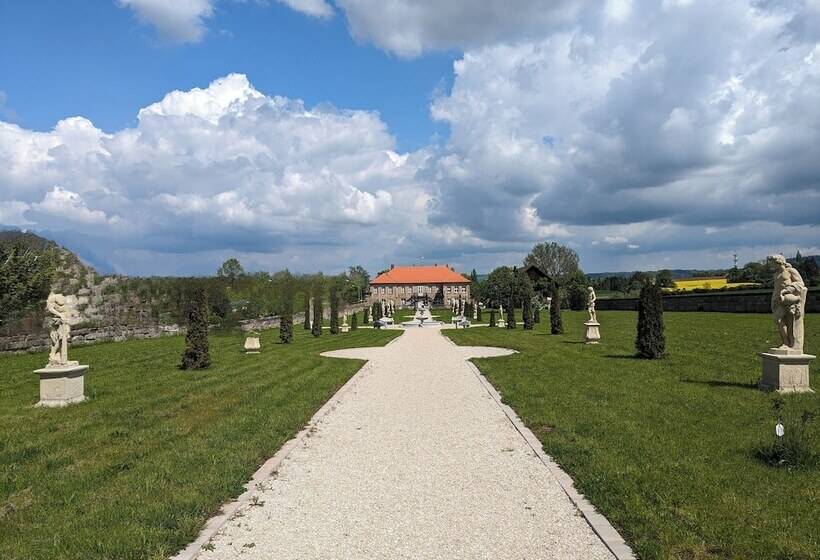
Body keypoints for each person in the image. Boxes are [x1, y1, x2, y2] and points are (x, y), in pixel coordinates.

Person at [770, 254, 807, 352]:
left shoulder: (791, 271)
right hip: (778, 299)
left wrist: (787, 290)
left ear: (779, 262)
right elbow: (776, 287)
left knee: (791, 323)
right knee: (777, 319)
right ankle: (785, 342)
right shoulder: (776, 273)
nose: (772, 265)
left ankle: (791, 344)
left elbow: (800, 283)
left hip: (789, 299)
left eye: (773, 263)